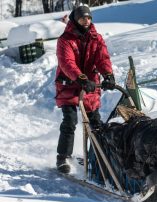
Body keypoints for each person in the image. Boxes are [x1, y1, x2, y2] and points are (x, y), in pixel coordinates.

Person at [54, 5, 116, 173]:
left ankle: (96, 157)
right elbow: (67, 62)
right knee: (70, 121)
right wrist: (81, 78)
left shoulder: (96, 38)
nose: (86, 21)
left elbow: (102, 58)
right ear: (75, 19)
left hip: (90, 85)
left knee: (95, 124)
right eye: (82, 18)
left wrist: (108, 75)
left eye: (88, 18)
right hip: (69, 85)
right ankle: (63, 157)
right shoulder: (65, 39)